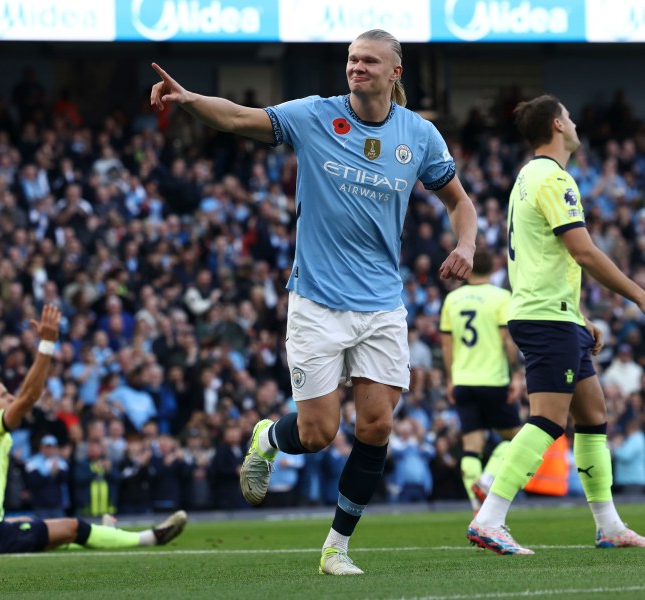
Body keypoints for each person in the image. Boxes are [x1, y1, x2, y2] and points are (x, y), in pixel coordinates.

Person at [151, 28, 477, 575]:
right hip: (318, 302)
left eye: (369, 61)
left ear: (395, 72)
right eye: (352, 59)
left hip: (380, 304)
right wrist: (189, 101)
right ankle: (267, 435)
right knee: (319, 434)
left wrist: (465, 243)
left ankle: (336, 548)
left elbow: (458, 201)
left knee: (376, 427)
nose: (356, 68)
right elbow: (237, 117)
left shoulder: (419, 136)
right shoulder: (315, 116)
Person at [468, 94, 645, 555]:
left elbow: (541, 257)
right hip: (546, 317)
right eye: (567, 115)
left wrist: (578, 313)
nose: (573, 121)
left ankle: (608, 525)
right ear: (556, 126)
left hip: (554, 313)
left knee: (592, 417)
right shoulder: (552, 178)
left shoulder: (530, 176)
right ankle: (490, 517)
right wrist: (639, 295)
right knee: (548, 420)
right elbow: (582, 251)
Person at [0, 309, 186, 556]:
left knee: (30, 525)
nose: (10, 397)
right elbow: (29, 396)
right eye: (4, 395)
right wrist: (48, 344)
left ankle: (104, 535)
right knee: (72, 527)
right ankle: (149, 538)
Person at [439, 248, 521, 512]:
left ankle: (477, 505)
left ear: (469, 266)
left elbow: (446, 344)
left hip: (463, 380)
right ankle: (486, 481)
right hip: (493, 379)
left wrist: (450, 379)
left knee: (471, 446)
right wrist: (516, 374)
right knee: (516, 439)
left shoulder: (452, 299)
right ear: (495, 267)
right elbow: (507, 340)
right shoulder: (500, 297)